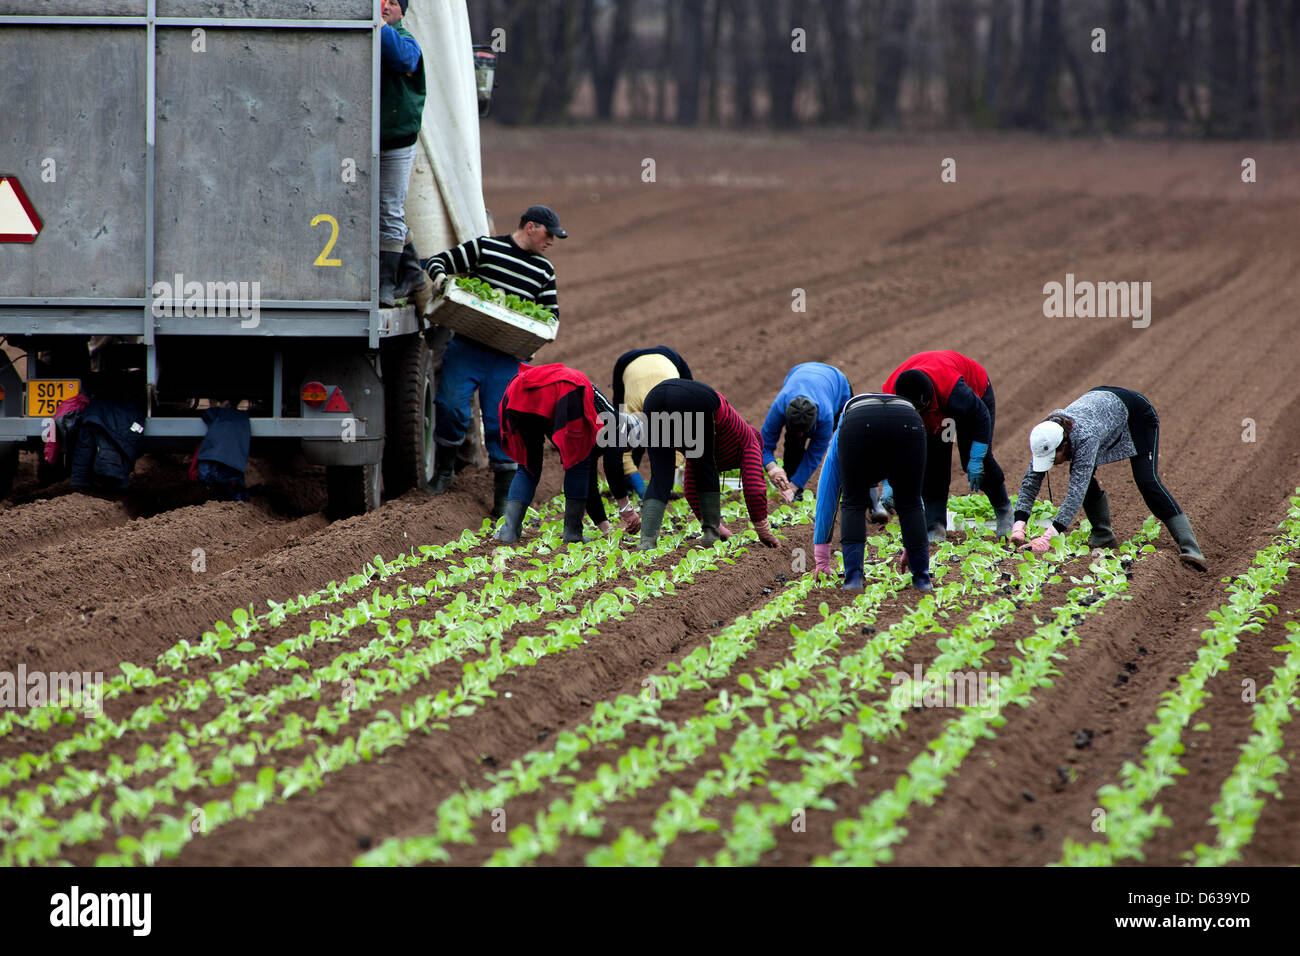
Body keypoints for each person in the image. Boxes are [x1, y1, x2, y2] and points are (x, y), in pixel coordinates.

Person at [424, 205, 566, 517]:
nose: (552, 241)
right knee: (449, 406)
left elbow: (551, 317)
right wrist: (439, 279)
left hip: (506, 359)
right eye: (548, 234)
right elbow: (438, 261)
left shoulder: (544, 271)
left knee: (503, 424)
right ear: (530, 227)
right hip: (467, 348)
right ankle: (444, 473)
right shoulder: (486, 247)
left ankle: (503, 499)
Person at [1010, 386, 1206, 570]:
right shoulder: (1046, 435)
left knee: (1148, 482)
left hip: (1136, 414)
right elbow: (1030, 482)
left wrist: (1047, 538)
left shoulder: (1086, 438)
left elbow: (1075, 492)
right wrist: (1018, 526)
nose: (1051, 463)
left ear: (1064, 445)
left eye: (1054, 458)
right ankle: (1103, 536)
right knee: (1082, 478)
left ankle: (1191, 548)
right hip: (1101, 405)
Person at [881, 350, 1014, 542]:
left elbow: (981, 416)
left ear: (926, 402)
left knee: (974, 458)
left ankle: (1004, 509)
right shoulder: (890, 394)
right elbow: (889, 439)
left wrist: (976, 457)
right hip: (936, 411)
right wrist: (888, 480)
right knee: (934, 465)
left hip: (973, 398)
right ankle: (935, 527)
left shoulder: (954, 391)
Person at [633, 379, 779, 551]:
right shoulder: (751, 441)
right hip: (695, 400)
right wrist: (763, 531)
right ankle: (711, 536)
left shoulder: (721, 438)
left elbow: (690, 488)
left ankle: (646, 541)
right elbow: (755, 488)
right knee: (706, 468)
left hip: (654, 397)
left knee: (660, 476)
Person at [813, 393, 932, 591]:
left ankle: (853, 580)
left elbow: (828, 494)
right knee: (910, 502)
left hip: (859, 424)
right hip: (908, 419)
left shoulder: (842, 431)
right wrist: (912, 548)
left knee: (853, 502)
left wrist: (821, 560)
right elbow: (915, 500)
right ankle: (922, 579)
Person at [494, 362, 616, 544]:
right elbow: (584, 458)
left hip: (519, 391)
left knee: (528, 465)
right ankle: (573, 533)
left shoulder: (549, 375)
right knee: (579, 460)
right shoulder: (600, 404)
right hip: (566, 390)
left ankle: (509, 531)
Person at [378, 0, 431, 309]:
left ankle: (386, 283)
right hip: (366, 140)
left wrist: (380, 25)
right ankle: (412, 273)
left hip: (397, 140)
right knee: (376, 211)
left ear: (402, 12)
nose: (386, 5)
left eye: (393, 2)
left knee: (388, 209)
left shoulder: (406, 41)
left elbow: (402, 59)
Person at [605, 346, 692, 529]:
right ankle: (630, 483)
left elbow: (680, 447)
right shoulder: (629, 410)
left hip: (670, 357)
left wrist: (660, 482)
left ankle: (636, 483)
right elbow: (620, 451)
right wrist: (642, 486)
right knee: (620, 426)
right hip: (628, 362)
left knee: (691, 394)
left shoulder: (678, 410)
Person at [760, 362, 854, 505]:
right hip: (800, 371)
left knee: (843, 439)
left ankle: (849, 485)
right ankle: (791, 485)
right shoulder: (780, 406)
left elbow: (814, 453)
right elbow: (763, 444)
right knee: (793, 442)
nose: (800, 435)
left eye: (804, 431)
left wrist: (796, 484)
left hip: (837, 384)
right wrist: (772, 467)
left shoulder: (826, 416)